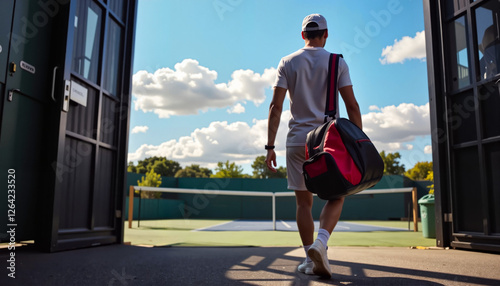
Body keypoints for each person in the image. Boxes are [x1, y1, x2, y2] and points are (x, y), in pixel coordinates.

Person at [265, 14, 362, 278]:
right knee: (336, 195)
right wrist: (359, 143)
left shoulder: (287, 62)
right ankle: (321, 244)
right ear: (326, 34)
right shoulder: (337, 62)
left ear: (302, 35)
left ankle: (310, 257)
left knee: (303, 203)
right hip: (328, 141)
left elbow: (276, 107)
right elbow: (352, 106)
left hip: (297, 141)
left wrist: (269, 146)